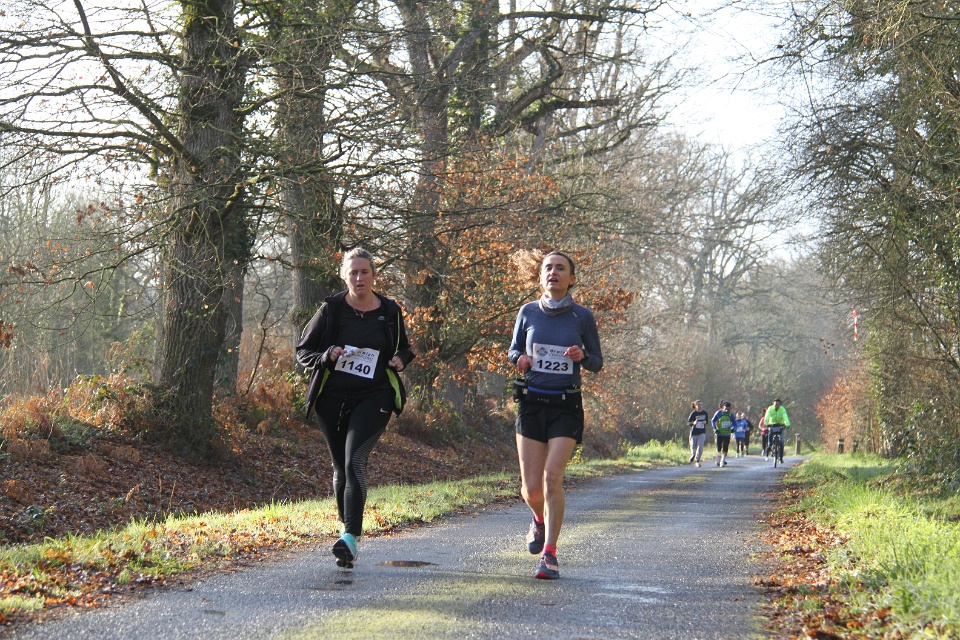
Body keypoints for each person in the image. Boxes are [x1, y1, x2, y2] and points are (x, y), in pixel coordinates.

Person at [296, 248, 415, 568]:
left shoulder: (389, 310)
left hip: (375, 396)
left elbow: (404, 348)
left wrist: (400, 360)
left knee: (354, 460)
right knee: (340, 467)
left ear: (374, 275)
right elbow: (304, 351)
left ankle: (351, 536)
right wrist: (326, 355)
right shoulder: (331, 309)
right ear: (343, 276)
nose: (359, 278)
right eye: (353, 273)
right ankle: (346, 533)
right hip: (331, 398)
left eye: (364, 272)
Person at [508, 250, 603, 580]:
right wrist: (519, 359)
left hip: (566, 405)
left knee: (552, 477)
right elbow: (513, 349)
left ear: (571, 278)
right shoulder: (528, 312)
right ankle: (539, 519)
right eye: (548, 268)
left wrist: (582, 355)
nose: (554, 272)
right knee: (531, 489)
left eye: (560, 268)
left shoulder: (582, 317)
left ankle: (549, 555)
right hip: (531, 404)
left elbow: (597, 362)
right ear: (540, 277)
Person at [763, 398, 791, 463]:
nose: (776, 406)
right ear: (773, 404)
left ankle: (780, 458)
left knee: (781, 442)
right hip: (772, 425)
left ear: (780, 405)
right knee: (770, 439)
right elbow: (767, 416)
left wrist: (787, 423)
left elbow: (785, 417)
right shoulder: (770, 409)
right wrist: (766, 423)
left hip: (780, 425)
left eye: (778, 405)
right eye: (775, 405)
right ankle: (768, 450)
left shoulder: (782, 409)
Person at [711, 401, 734, 466]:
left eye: (728, 409)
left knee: (725, 447)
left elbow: (735, 423)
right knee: (719, 447)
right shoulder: (719, 413)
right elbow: (713, 421)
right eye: (725, 409)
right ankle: (718, 459)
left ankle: (723, 460)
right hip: (719, 433)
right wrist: (715, 428)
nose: (727, 410)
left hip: (727, 433)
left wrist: (733, 428)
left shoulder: (731, 415)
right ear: (723, 407)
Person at [687, 400, 709, 467]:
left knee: (700, 446)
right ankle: (693, 455)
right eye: (698, 405)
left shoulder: (705, 413)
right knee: (693, 447)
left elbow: (707, 421)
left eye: (701, 405)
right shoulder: (693, 414)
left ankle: (697, 461)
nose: (700, 406)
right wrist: (693, 423)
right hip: (694, 432)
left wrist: (705, 422)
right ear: (695, 406)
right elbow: (688, 423)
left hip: (702, 432)